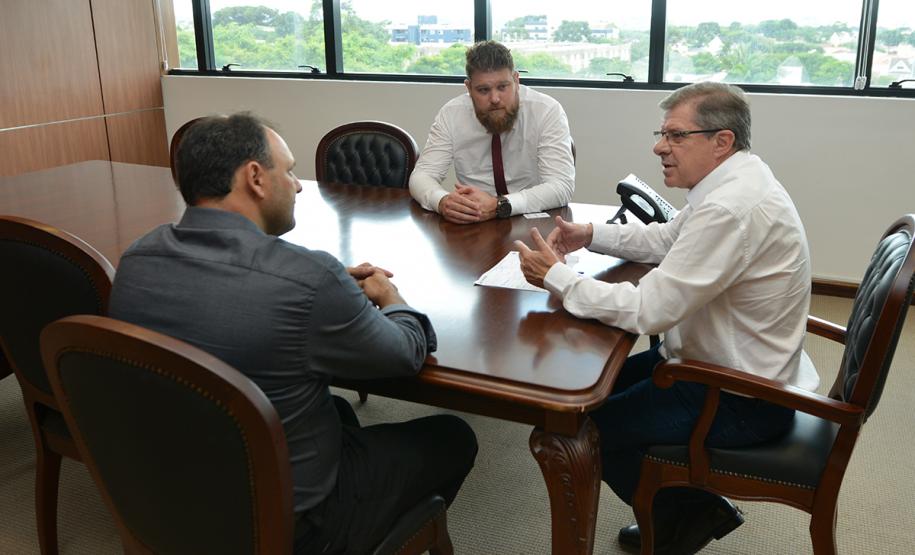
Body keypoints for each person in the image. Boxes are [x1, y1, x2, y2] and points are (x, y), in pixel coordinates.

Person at [109, 113, 478, 554]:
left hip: (171, 498)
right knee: (454, 436)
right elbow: (403, 355)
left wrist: (327, 283)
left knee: (337, 410)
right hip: (288, 525)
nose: (299, 185)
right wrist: (391, 298)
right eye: (289, 170)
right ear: (255, 178)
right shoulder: (308, 279)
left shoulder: (137, 260)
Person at [515, 82, 818, 554]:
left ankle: (680, 522)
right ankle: (680, 510)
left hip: (739, 395)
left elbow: (646, 310)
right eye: (662, 133)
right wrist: (588, 234)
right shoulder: (736, 180)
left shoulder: (728, 207)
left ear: (722, 142)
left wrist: (557, 277)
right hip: (724, 365)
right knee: (582, 395)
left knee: (579, 430)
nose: (659, 146)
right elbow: (665, 240)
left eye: (676, 135)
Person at [409, 40, 575, 224]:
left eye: (503, 87)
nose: (495, 98)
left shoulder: (546, 110)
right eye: (483, 90)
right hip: (473, 223)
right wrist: (441, 201)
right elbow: (422, 175)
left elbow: (561, 186)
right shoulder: (451, 114)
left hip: (530, 220)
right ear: (469, 88)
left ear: (516, 81)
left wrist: (499, 205)